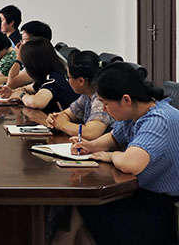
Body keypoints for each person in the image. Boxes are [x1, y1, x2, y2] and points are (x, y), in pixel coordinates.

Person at [68, 63, 179, 245]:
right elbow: (114, 138)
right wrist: (90, 146)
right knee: (80, 207)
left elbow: (130, 164)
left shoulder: (158, 120)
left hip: (165, 209)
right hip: (141, 195)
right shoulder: (135, 112)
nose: (104, 109)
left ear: (126, 99)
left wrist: (111, 156)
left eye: (106, 104)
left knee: (85, 210)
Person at [46, 50, 114, 139]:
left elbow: (91, 133)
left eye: (68, 77)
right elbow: (67, 114)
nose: (68, 81)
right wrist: (55, 119)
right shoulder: (87, 95)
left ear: (81, 81)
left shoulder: (101, 98)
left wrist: (63, 125)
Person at [1, 37, 78, 113]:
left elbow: (36, 102)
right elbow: (29, 88)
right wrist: (13, 92)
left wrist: (21, 95)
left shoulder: (54, 79)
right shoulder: (52, 74)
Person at [5, 20, 53, 89]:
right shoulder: (38, 57)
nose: (20, 44)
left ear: (37, 42)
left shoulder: (41, 61)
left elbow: (11, 83)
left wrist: (19, 58)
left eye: (24, 40)